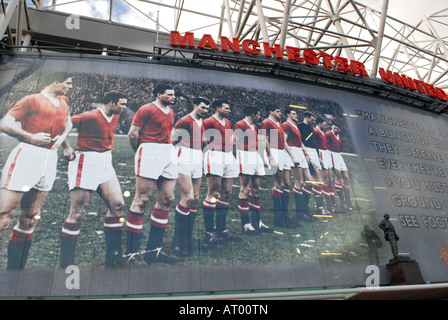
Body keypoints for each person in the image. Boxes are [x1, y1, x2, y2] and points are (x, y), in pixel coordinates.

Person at [0, 72, 73, 269]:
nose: (70, 86)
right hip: (27, 155)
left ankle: (15, 273)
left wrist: (64, 141)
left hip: (49, 158)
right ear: (55, 81)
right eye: (67, 83)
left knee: (30, 217)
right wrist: (29, 136)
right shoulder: (31, 99)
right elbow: (4, 123)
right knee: (3, 215)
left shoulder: (63, 100)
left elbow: (67, 121)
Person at [59, 91, 128, 268]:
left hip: (105, 161)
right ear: (112, 103)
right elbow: (61, 123)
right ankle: (66, 264)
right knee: (78, 212)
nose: (124, 107)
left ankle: (112, 258)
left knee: (117, 204)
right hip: (86, 161)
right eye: (122, 104)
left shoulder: (114, 115)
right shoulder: (90, 116)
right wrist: (66, 147)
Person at [125, 84, 181, 264]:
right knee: (142, 200)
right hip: (149, 149)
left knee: (167, 199)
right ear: (159, 94)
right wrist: (141, 151)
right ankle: (132, 253)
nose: (174, 97)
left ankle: (154, 250)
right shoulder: (146, 109)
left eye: (174, 95)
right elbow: (133, 134)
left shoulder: (171, 111)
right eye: (170, 94)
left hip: (168, 151)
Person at [170, 97, 210, 256]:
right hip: (184, 156)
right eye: (202, 107)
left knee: (195, 198)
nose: (205, 111)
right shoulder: (184, 120)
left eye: (207, 109)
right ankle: (177, 242)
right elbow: (172, 139)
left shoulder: (203, 122)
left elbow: (204, 140)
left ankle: (187, 237)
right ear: (194, 105)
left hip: (197, 157)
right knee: (186, 198)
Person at [202, 100, 240, 249]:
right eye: (226, 107)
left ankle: (222, 230)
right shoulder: (209, 121)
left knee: (226, 193)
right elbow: (203, 138)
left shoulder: (228, 122)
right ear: (218, 108)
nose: (229, 110)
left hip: (228, 156)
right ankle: (210, 233)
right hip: (215, 155)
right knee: (214, 194)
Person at [233, 106, 273, 235]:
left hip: (255, 155)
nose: (259, 117)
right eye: (258, 114)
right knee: (245, 188)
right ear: (252, 114)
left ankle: (257, 222)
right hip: (245, 155)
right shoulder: (240, 124)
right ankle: (246, 224)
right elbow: (234, 141)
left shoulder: (254, 127)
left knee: (255, 188)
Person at [261, 104, 298, 229]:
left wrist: (292, 156)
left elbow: (284, 142)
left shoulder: (279, 124)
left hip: (282, 152)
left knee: (287, 184)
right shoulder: (266, 122)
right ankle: (278, 219)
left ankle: (285, 216)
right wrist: (270, 157)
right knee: (279, 184)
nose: (279, 113)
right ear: (271, 111)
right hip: (274, 151)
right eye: (277, 111)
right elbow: (264, 140)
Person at [281, 108, 313, 222]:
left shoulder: (295, 126)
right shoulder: (286, 125)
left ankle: (304, 210)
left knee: (309, 183)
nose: (296, 115)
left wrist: (307, 155)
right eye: (293, 114)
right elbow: (283, 141)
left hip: (300, 152)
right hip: (293, 152)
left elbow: (301, 142)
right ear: (288, 114)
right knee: (299, 183)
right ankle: (300, 213)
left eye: (296, 114)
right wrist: (292, 156)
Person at [297, 111, 328, 215]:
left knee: (318, 181)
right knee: (309, 182)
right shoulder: (300, 126)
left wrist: (318, 157)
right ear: (306, 117)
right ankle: (304, 209)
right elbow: (300, 141)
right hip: (306, 152)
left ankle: (319, 207)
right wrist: (306, 154)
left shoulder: (311, 129)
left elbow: (315, 144)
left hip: (314, 153)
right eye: (312, 119)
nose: (314, 122)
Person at [325, 122, 353, 211]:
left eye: (338, 129)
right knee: (339, 178)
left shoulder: (338, 135)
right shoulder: (328, 134)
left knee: (346, 178)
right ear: (332, 127)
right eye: (335, 128)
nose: (336, 130)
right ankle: (342, 203)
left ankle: (348, 202)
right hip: (331, 155)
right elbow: (323, 144)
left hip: (338, 155)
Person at [314, 117, 335, 212]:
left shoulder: (322, 132)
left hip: (326, 153)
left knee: (330, 179)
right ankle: (321, 206)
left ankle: (331, 204)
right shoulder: (315, 131)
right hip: (321, 153)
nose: (326, 126)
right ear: (319, 123)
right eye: (324, 124)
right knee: (323, 180)